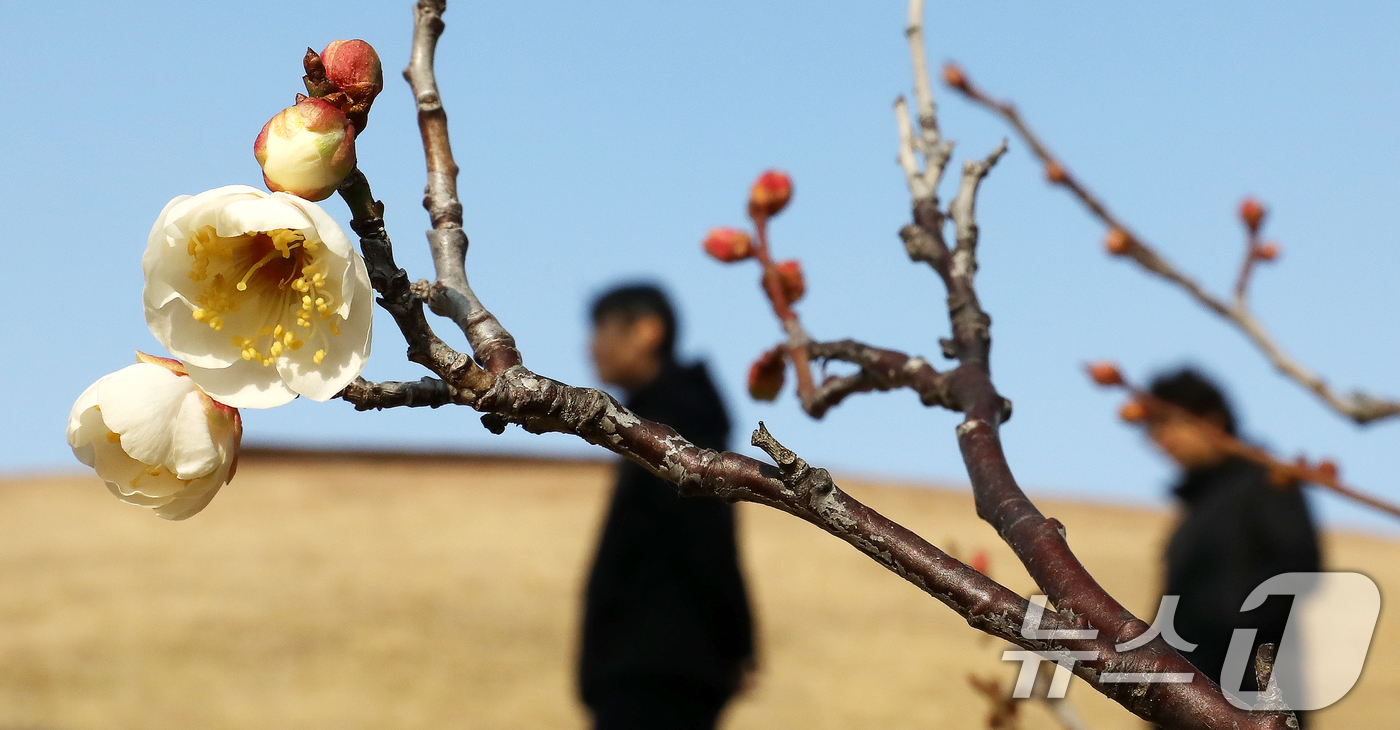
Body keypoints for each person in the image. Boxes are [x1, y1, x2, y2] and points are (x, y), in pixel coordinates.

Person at [579, 284, 754, 730]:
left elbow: (706, 537)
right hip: (662, 661)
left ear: (647, 331)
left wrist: (734, 641)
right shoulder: (664, 416)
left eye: (602, 330)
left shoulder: (677, 421)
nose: (591, 346)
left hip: (658, 665)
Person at [1146, 368, 1320, 727]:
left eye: (1167, 423)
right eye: (1151, 429)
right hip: (1184, 697)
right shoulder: (1199, 506)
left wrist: (1227, 636)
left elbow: (1298, 570)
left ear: (1211, 419)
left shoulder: (1266, 480)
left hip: (1247, 699)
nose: (1159, 439)